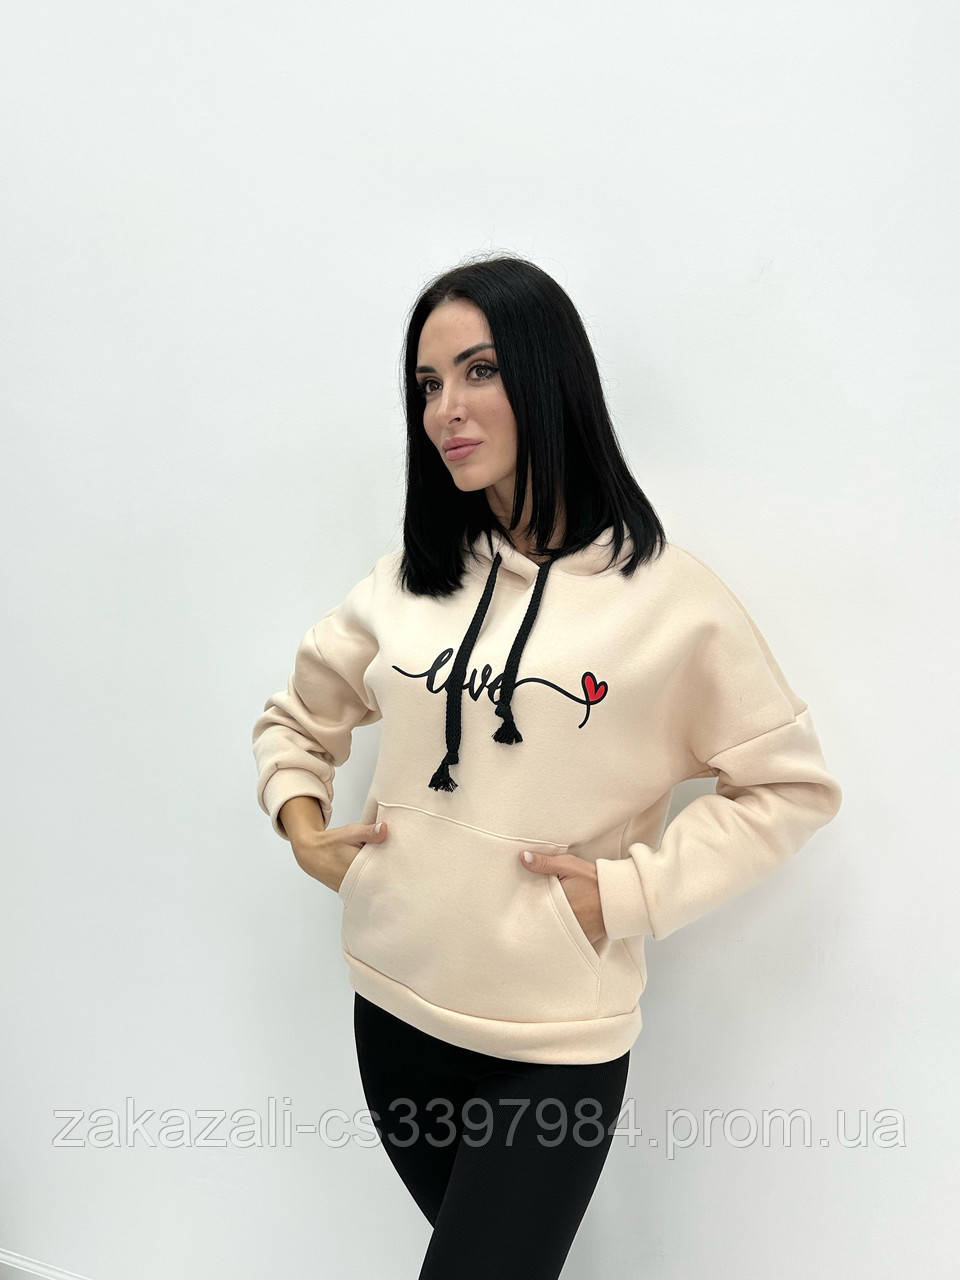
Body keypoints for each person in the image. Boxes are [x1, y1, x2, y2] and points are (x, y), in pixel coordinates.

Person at [251, 253, 843, 1277]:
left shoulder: (673, 603)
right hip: (392, 1012)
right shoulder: (409, 581)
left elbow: (788, 786)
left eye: (478, 371)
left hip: (551, 1049)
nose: (445, 409)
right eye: (427, 384)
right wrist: (302, 824)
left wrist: (628, 894)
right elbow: (297, 718)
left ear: (546, 375)